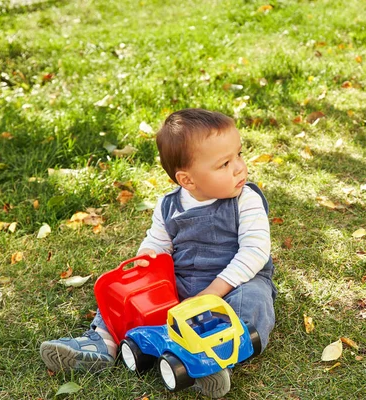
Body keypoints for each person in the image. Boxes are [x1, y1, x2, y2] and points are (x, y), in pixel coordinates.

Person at [40, 109, 277, 398]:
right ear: (187, 180)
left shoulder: (245, 199)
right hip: (181, 281)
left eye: (239, 154)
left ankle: (217, 358)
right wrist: (146, 263)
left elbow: (254, 251)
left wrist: (216, 290)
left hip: (235, 282)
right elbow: (157, 244)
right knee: (129, 292)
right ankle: (101, 342)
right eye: (225, 163)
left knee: (254, 301)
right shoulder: (169, 205)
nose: (239, 168)